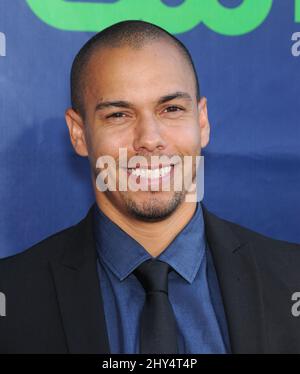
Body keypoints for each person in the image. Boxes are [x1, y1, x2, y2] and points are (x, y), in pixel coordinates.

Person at [0, 20, 300, 354]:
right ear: (79, 133)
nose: (149, 140)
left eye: (171, 109)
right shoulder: (11, 298)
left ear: (202, 122)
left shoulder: (292, 279)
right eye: (118, 115)